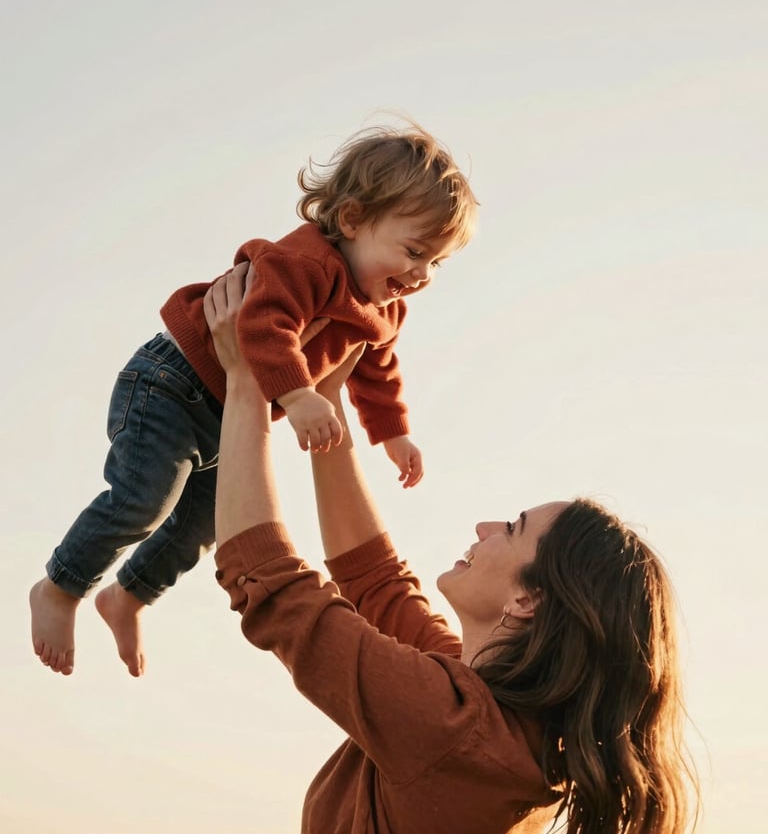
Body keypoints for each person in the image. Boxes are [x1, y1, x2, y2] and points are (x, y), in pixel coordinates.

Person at [207, 265, 698, 834]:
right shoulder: (497, 719)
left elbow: (270, 586)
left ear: (528, 600)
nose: (485, 526)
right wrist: (331, 401)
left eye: (512, 528)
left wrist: (244, 384)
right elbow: (376, 584)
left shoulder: (454, 728)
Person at [29, 122, 478, 677]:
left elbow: (377, 370)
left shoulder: (385, 310)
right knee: (145, 498)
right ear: (353, 220)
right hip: (173, 384)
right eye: (414, 251)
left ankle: (128, 596)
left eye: (436, 262)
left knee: (203, 530)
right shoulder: (307, 262)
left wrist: (394, 433)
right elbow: (262, 325)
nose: (421, 274)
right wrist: (300, 393)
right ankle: (60, 585)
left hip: (226, 415)